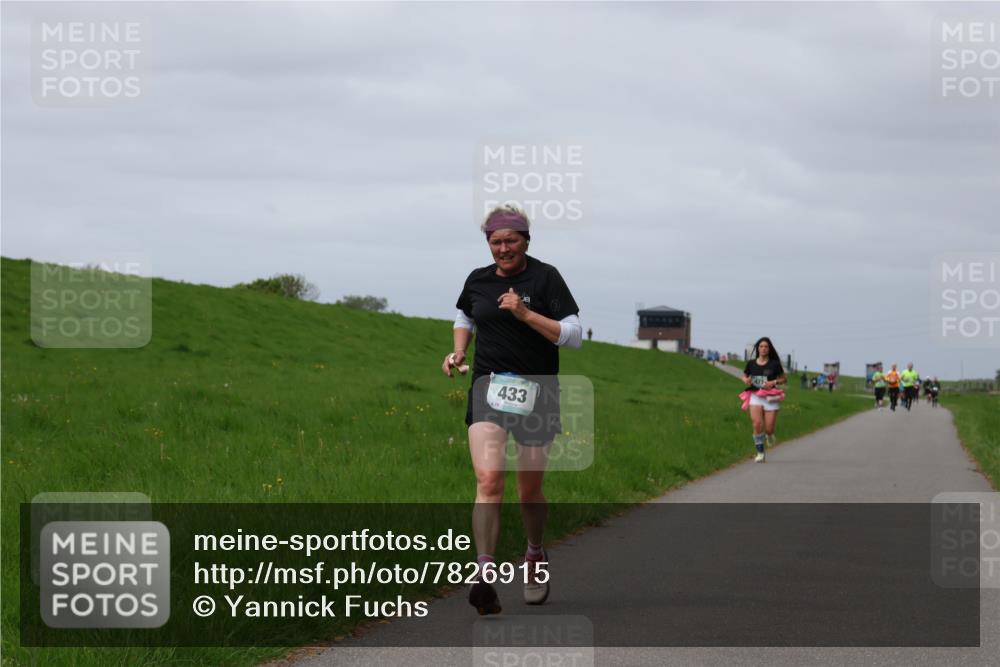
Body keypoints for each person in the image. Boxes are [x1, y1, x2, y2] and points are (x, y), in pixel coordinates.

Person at [444, 205, 582, 615]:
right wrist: (457, 351)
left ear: (526, 240)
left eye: (510, 240)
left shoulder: (545, 278)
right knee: (488, 481)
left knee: (529, 490)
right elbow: (464, 315)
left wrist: (525, 313)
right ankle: (484, 573)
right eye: (495, 241)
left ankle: (535, 555)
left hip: (538, 392)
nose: (503, 248)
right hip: (489, 387)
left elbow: (572, 337)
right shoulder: (478, 279)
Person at [741, 337, 787, 463]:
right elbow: (744, 376)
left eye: (766, 346)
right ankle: (760, 452)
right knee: (756, 424)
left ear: (769, 349)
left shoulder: (774, 364)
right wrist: (746, 380)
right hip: (755, 396)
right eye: (761, 346)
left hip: (770, 397)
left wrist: (773, 381)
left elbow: (784, 379)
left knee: (769, 428)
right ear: (757, 348)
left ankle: (770, 435)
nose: (763, 349)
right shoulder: (751, 363)